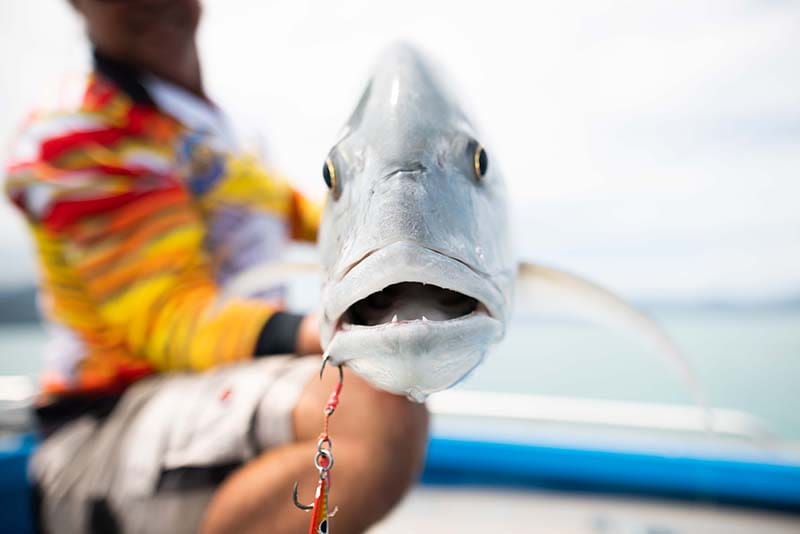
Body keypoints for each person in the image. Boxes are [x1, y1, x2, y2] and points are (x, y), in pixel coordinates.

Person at [4, 1, 428, 533]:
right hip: (105, 433)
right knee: (374, 411)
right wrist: (341, 325)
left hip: (214, 404)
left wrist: (417, 247)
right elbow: (175, 320)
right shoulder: (77, 130)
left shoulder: (216, 129)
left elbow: (323, 221)